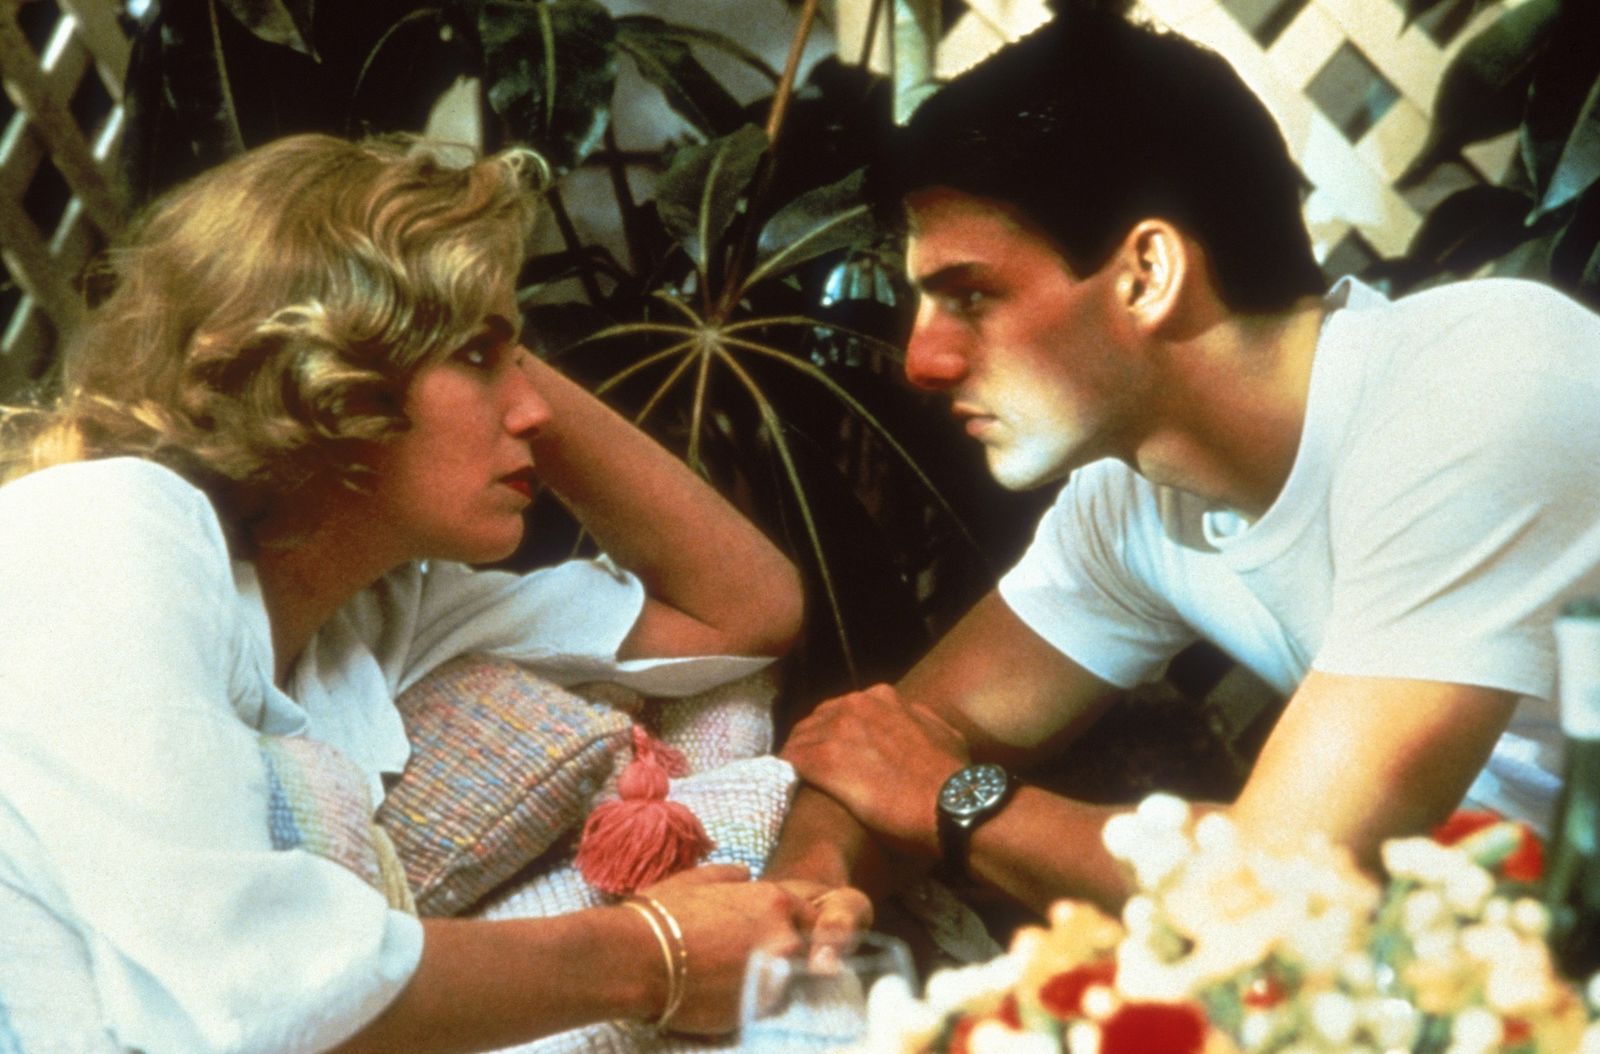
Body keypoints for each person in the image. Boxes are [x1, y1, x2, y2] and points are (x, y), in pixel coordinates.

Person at [769, 6, 1600, 930]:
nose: (922, 362)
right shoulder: (1131, 495)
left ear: (1148, 274)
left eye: (972, 295)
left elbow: (1285, 879)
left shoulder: (1483, 381)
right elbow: (874, 752)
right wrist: (806, 894)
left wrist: (952, 802)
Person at [0, 133, 816, 1052]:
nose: (536, 411)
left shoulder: (366, 618)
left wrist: (468, 322)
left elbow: (742, 613)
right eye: (478, 357)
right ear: (322, 367)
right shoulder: (100, 527)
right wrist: (655, 956)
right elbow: (251, 994)